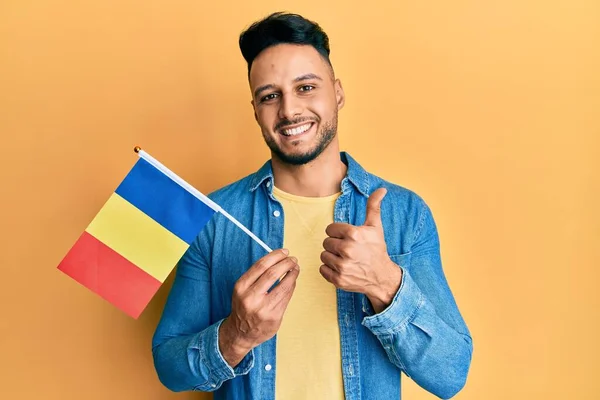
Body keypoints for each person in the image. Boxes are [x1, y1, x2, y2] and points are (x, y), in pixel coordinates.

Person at [152, 11, 472, 400]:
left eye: (306, 87)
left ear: (337, 92)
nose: (288, 111)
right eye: (270, 96)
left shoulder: (405, 215)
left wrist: (384, 283)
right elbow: (169, 366)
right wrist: (237, 334)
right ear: (256, 110)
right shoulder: (214, 218)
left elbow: (451, 373)